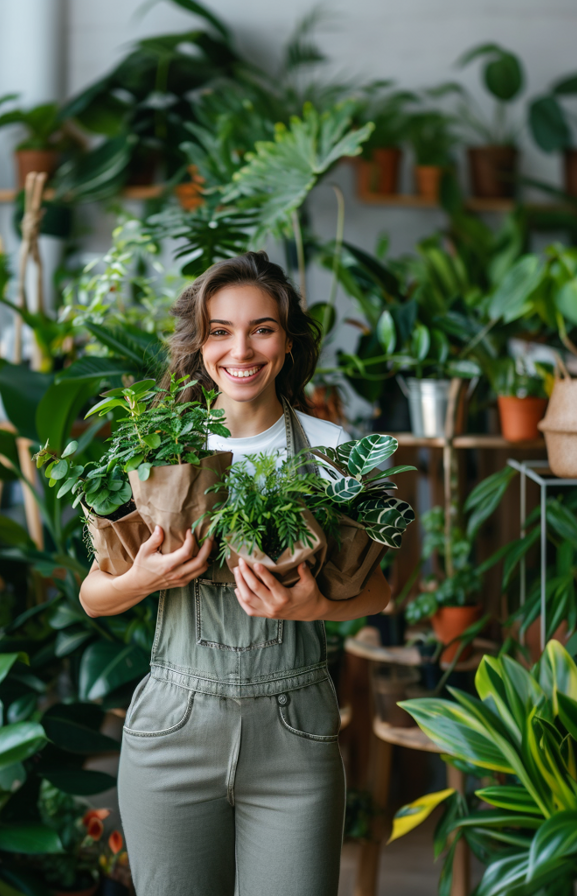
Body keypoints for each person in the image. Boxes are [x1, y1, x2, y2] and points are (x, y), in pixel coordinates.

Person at [80, 252, 391, 895]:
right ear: (199, 345)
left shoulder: (333, 450)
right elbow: (95, 597)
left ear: (287, 339)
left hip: (295, 736)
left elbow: (380, 593)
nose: (240, 349)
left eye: (262, 328)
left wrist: (313, 608)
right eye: (220, 330)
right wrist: (145, 579)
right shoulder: (162, 450)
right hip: (173, 732)